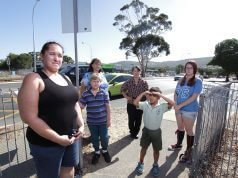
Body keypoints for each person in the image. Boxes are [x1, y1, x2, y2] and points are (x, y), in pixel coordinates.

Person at [17, 41, 84, 178]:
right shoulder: (34, 79)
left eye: (60, 55)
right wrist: (58, 139)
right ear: (42, 56)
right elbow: (29, 117)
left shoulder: (65, 78)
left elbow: (74, 103)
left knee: (69, 171)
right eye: (52, 54)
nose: (56, 58)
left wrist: (81, 124)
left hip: (70, 137)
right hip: (46, 143)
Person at [133, 87, 174, 177]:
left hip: (156, 132)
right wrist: (143, 93)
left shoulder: (162, 106)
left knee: (156, 150)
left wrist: (160, 95)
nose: (151, 97)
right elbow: (135, 103)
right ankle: (141, 162)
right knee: (144, 148)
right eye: (150, 94)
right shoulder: (145, 104)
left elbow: (172, 103)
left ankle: (155, 164)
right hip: (146, 131)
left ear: (158, 97)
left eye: (154, 95)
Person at [168, 60, 202, 164]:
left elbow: (194, 97)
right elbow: (176, 92)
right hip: (178, 109)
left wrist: (180, 106)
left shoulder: (198, 81)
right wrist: (175, 104)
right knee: (180, 128)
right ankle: (178, 145)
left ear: (194, 69)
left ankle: (188, 152)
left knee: (189, 130)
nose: (188, 69)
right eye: (187, 68)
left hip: (190, 110)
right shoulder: (181, 80)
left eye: (191, 68)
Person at [79, 73, 111, 165]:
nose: (96, 83)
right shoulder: (86, 94)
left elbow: (108, 108)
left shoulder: (104, 93)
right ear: (90, 82)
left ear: (100, 83)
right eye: (94, 81)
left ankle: (104, 150)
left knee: (104, 138)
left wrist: (109, 120)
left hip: (103, 121)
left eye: (98, 81)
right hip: (92, 122)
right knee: (94, 138)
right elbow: (81, 106)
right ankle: (97, 152)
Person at [121, 66, 149, 139]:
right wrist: (127, 97)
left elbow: (147, 93)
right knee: (131, 118)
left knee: (138, 119)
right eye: (134, 71)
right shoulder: (128, 82)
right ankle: (132, 131)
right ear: (132, 72)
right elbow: (122, 90)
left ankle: (135, 132)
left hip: (140, 103)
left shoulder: (144, 82)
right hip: (130, 103)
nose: (136, 73)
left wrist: (148, 102)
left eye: (138, 71)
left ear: (140, 72)